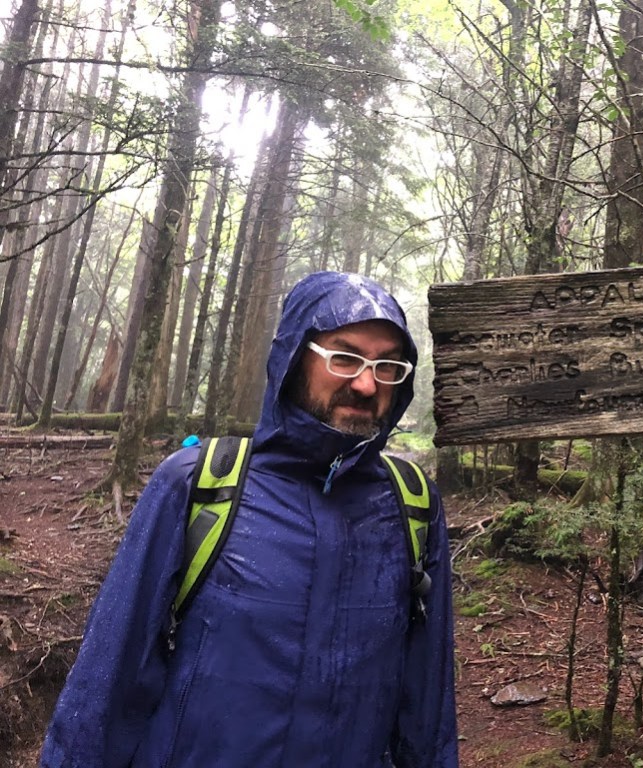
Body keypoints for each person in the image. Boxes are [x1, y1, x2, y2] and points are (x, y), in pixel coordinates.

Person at [41, 272, 459, 767]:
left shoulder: (410, 504)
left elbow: (427, 703)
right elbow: (109, 676)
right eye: (344, 358)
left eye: (388, 366)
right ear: (293, 358)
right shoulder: (199, 487)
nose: (367, 384)